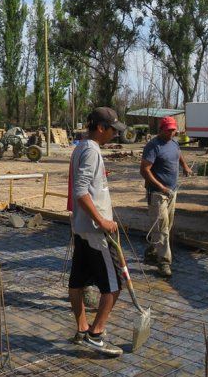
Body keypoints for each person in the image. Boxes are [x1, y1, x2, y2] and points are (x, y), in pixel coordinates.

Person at [67, 107, 126, 357]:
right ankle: (96, 334)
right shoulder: (91, 150)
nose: (115, 134)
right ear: (101, 128)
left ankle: (82, 329)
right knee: (114, 285)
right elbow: (81, 192)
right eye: (113, 129)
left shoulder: (81, 147)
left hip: (81, 227)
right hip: (94, 231)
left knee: (78, 281)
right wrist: (102, 220)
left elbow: (85, 187)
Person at [140, 116, 192, 277]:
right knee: (162, 229)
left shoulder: (174, 143)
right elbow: (144, 170)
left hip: (172, 192)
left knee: (166, 226)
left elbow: (178, 154)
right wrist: (161, 187)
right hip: (157, 194)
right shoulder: (153, 146)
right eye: (168, 130)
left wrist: (185, 166)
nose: (171, 132)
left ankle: (153, 249)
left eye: (173, 130)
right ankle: (163, 262)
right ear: (161, 129)